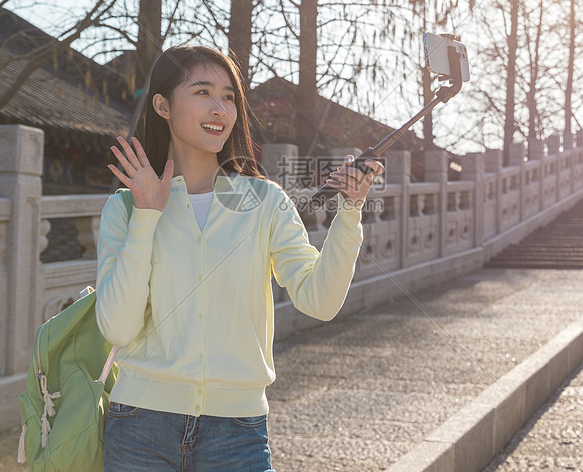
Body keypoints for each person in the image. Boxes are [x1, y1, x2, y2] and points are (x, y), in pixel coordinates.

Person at [95, 45, 384, 471]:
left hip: (237, 433)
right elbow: (117, 327)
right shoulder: (124, 208)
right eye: (202, 92)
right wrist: (146, 216)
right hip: (139, 426)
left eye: (229, 96)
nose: (220, 109)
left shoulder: (265, 201)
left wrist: (350, 212)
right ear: (162, 104)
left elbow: (319, 302)